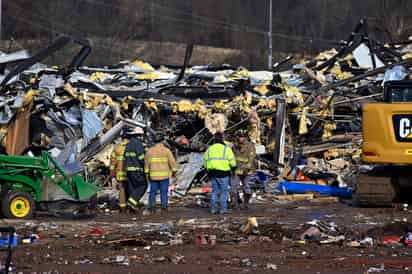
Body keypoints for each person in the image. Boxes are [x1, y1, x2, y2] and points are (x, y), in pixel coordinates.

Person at [204, 132, 237, 214]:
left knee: (214, 192)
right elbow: (232, 162)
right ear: (222, 139)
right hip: (224, 173)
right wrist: (233, 169)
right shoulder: (226, 149)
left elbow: (205, 162)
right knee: (223, 192)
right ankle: (223, 209)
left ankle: (213, 209)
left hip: (213, 173)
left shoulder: (209, 149)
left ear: (214, 139)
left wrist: (208, 170)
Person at [144, 137, 177, 214]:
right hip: (164, 176)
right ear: (162, 141)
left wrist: (146, 174)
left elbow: (146, 164)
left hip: (153, 176)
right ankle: (164, 207)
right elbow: (172, 163)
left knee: (152, 192)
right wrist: (174, 172)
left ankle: (151, 207)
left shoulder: (149, 151)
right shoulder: (166, 151)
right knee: (164, 192)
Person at [232, 130, 256, 209]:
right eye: (238, 137)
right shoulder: (234, 146)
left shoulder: (250, 146)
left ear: (245, 137)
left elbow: (251, 159)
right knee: (234, 186)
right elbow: (232, 158)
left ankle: (246, 203)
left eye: (241, 137)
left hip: (247, 171)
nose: (239, 139)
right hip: (237, 170)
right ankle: (235, 203)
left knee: (246, 186)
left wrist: (247, 167)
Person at [124, 127, 147, 211]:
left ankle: (132, 205)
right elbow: (141, 158)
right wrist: (146, 167)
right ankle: (131, 203)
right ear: (139, 135)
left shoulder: (128, 144)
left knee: (132, 188)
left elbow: (124, 158)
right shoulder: (138, 144)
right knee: (142, 186)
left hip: (128, 170)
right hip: (137, 170)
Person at [110, 136, 128, 213]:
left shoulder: (117, 148)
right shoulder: (132, 147)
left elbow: (112, 162)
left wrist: (112, 173)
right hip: (130, 173)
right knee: (130, 189)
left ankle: (122, 207)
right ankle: (130, 205)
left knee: (122, 189)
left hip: (120, 173)